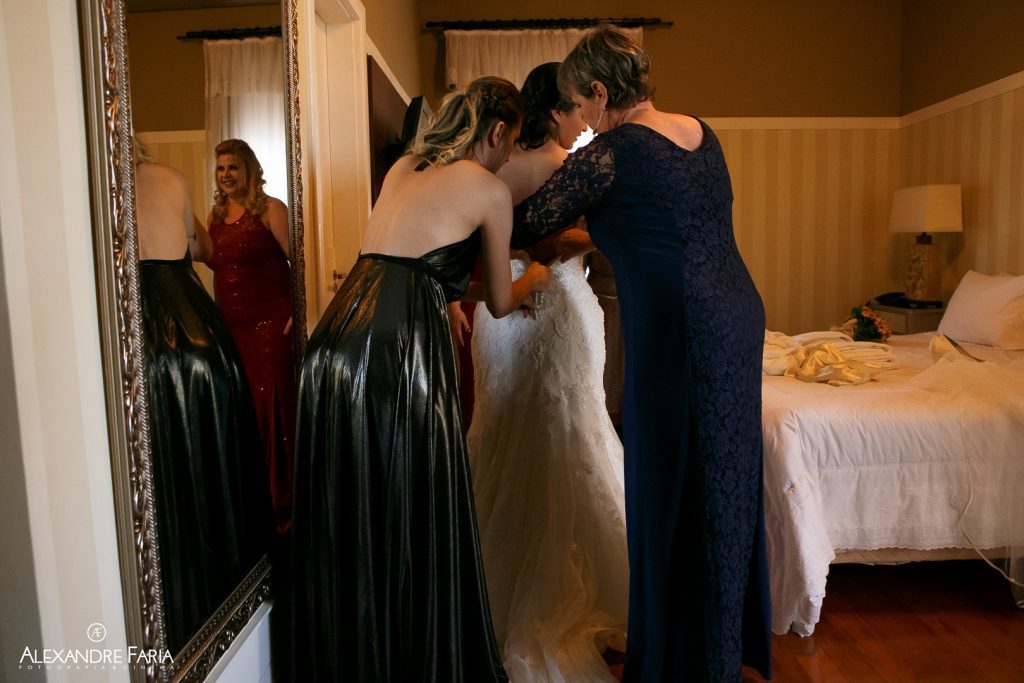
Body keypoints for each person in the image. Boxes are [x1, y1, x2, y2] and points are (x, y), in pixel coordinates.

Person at [510, 28, 772, 682]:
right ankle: (716, 652)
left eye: (581, 103)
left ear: (601, 92)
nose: (580, 120)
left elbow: (528, 221)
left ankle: (677, 662)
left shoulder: (613, 152)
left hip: (679, 326)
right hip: (737, 315)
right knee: (723, 477)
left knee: (667, 481)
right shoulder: (702, 132)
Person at [286, 77, 550, 682]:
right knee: (410, 490)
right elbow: (502, 301)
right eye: (510, 145)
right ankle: (408, 658)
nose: (508, 158)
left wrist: (453, 293)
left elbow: (414, 261)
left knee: (353, 497)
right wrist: (534, 274)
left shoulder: (404, 167)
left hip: (336, 336)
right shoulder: (489, 189)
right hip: (397, 344)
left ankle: (352, 655)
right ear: (497, 131)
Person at [467, 62, 629, 682]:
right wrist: (587, 237)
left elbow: (475, 247)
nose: (582, 119)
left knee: (503, 430)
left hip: (500, 310)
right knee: (570, 424)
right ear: (555, 110)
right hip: (555, 302)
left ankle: (488, 579)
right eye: (575, 108)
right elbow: (583, 241)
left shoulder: (494, 168)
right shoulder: (570, 166)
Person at [134, 140, 274, 653]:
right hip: (197, 322)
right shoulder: (172, 178)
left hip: (144, 320)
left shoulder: (98, 185)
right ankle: (227, 561)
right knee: (212, 442)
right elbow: (201, 248)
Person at [206, 139, 296, 533]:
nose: (226, 175)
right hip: (234, 329)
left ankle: (284, 499)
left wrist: (298, 311)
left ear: (248, 170)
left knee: (273, 406)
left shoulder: (271, 209)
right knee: (244, 407)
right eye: (221, 169)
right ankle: (255, 496)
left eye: (233, 167)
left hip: (271, 326)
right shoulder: (214, 217)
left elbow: (301, 262)